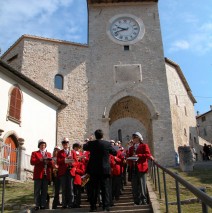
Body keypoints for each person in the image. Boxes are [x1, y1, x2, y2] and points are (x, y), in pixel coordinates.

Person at [83, 129, 117, 212]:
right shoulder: (107, 144)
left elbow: (84, 147)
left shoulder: (91, 144)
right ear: (102, 136)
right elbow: (115, 153)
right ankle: (106, 207)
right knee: (105, 189)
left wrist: (90, 140)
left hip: (93, 169)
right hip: (104, 169)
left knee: (94, 189)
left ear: (95, 136)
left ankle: (93, 206)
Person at [127, 132, 152, 206]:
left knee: (142, 184)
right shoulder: (131, 148)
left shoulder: (144, 146)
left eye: (134, 137)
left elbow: (148, 155)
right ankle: (136, 201)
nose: (133, 139)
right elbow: (128, 156)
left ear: (138, 138)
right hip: (133, 168)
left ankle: (143, 200)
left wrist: (138, 155)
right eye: (133, 137)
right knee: (134, 185)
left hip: (141, 167)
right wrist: (128, 156)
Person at [30, 139, 53, 211]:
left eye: (44, 145)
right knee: (37, 190)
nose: (43, 146)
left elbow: (51, 164)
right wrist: (40, 160)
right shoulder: (35, 153)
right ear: (39, 146)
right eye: (41, 145)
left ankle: (43, 205)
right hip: (38, 174)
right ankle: (37, 204)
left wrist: (48, 161)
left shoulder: (48, 154)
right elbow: (32, 162)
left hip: (45, 174)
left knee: (44, 190)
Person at [57, 137, 76, 209]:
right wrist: (65, 160)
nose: (65, 144)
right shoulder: (60, 152)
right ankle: (64, 204)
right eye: (64, 143)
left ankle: (71, 203)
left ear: (68, 144)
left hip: (70, 171)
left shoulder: (72, 152)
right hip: (63, 172)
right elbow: (58, 161)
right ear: (62, 144)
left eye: (67, 143)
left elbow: (76, 162)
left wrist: (72, 164)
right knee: (64, 188)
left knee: (70, 188)